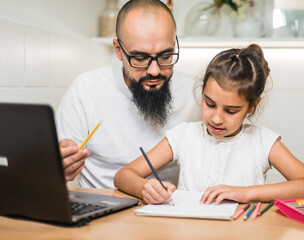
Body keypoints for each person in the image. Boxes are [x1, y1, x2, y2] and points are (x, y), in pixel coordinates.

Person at [114, 44, 304, 205]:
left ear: (251, 107)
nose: (217, 118)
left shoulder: (263, 142)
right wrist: (144, 188)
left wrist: (246, 193)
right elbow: (123, 175)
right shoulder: (184, 135)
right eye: (210, 104)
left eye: (231, 111)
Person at [56, 0, 200, 188]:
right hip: (102, 207)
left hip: (169, 208)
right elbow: (55, 168)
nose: (155, 70)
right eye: (140, 58)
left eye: (166, 56)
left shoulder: (196, 94)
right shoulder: (87, 88)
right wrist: (62, 165)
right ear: (118, 50)